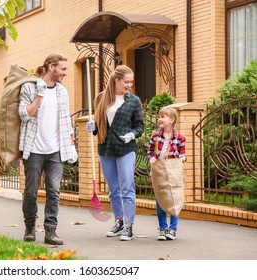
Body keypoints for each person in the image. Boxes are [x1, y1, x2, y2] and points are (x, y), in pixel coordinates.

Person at [18, 53, 76, 245]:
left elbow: (65, 121)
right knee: (31, 191)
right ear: (51, 67)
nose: (65, 73)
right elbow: (25, 114)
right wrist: (40, 94)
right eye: (63, 69)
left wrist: (70, 145)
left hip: (55, 150)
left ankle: (50, 231)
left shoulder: (62, 92)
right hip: (33, 149)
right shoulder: (29, 87)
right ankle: (30, 228)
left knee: (54, 191)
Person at [86, 65, 144, 241]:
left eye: (131, 82)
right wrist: (93, 127)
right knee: (113, 189)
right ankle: (119, 221)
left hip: (125, 149)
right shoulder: (102, 99)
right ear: (116, 80)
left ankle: (129, 226)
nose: (129, 85)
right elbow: (99, 125)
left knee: (127, 188)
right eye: (126, 82)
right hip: (106, 149)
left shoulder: (133, 101)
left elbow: (140, 126)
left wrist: (132, 135)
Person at [147, 106, 186, 241]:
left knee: (175, 199)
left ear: (172, 120)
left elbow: (182, 153)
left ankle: (173, 229)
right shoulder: (155, 136)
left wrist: (182, 158)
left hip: (173, 173)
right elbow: (150, 152)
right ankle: (163, 228)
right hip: (159, 173)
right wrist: (152, 158)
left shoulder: (180, 138)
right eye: (159, 116)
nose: (160, 119)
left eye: (163, 116)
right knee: (160, 200)